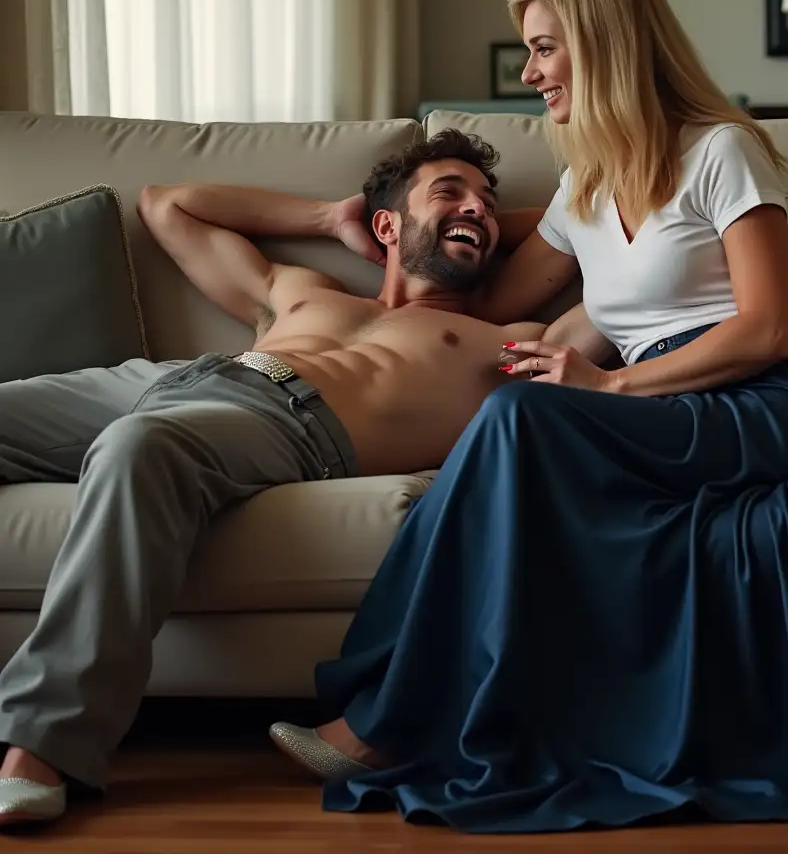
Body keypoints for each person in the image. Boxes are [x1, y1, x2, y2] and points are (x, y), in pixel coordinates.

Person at [270, 0, 788, 833]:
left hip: (775, 399)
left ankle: (380, 721)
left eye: (545, 49)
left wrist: (613, 384)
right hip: (666, 408)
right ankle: (392, 711)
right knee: (512, 415)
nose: (529, 74)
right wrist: (374, 236)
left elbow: (768, 328)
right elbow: (495, 299)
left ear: (604, 47)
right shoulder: (583, 191)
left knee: (523, 417)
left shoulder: (722, 151)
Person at [0, 128, 593, 827]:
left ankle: (43, 744)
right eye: (452, 192)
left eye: (490, 204)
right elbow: (168, 207)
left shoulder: (509, 341)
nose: (481, 211)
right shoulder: (307, 289)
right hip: (177, 379)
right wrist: (328, 219)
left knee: (140, 448)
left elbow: (615, 228)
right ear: (386, 224)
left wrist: (479, 218)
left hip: (286, 423)